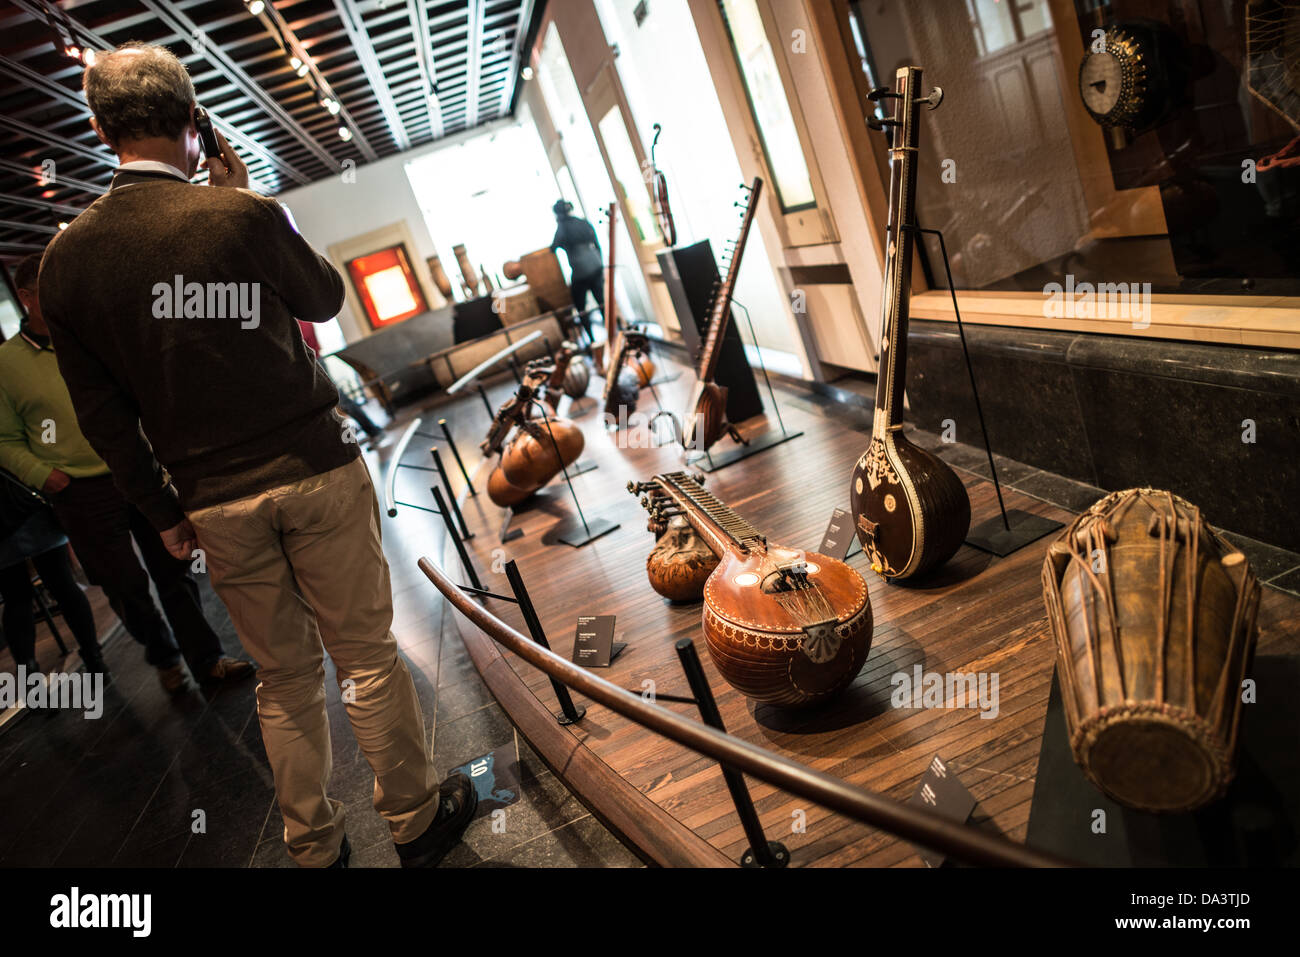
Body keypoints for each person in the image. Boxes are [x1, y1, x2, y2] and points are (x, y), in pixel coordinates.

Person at [38, 42, 475, 868]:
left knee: (283, 680)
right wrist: (252, 203)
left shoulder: (67, 261)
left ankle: (315, 846)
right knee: (368, 656)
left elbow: (102, 416)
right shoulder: (239, 215)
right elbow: (324, 296)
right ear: (193, 120)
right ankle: (414, 821)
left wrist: (162, 512)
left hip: (211, 498)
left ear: (100, 130)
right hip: (313, 466)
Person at [1, 254, 249, 695]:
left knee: (175, 570)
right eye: (50, 289)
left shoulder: (92, 337)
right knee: (123, 584)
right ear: (25, 298)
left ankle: (207, 660)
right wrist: (44, 475)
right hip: (79, 490)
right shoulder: (6, 365)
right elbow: (4, 439)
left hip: (136, 468)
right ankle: (163, 654)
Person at [0, 468, 105, 679]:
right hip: (27, 505)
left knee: (16, 598)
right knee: (63, 585)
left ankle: (30, 677)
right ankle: (95, 660)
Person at [549, 199, 605, 343]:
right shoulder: (583, 222)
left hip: (581, 270)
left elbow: (553, 248)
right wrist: (600, 264)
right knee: (601, 301)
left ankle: (592, 339)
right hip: (595, 264)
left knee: (580, 306)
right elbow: (597, 245)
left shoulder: (562, 228)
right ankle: (613, 332)